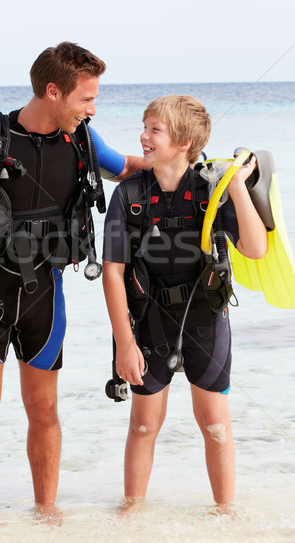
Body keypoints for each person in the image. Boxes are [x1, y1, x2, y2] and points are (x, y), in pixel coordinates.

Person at [0, 42, 143, 524]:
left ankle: (46, 515)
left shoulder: (82, 141)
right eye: (86, 99)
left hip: (45, 294)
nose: (92, 110)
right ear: (53, 92)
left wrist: (207, 170)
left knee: (43, 408)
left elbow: (127, 170)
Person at [102, 95, 268, 514]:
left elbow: (255, 247)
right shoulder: (129, 195)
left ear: (183, 143)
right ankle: (132, 513)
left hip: (205, 319)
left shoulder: (211, 191)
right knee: (143, 424)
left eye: (155, 129)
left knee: (214, 426)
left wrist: (234, 186)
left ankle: (224, 514)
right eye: (145, 126)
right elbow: (112, 272)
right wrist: (124, 341)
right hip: (148, 320)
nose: (143, 135)